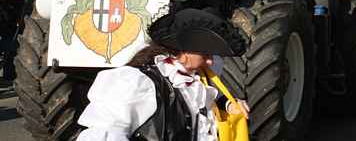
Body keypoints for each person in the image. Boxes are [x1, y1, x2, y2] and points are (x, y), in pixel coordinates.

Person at [76, 8, 249, 140]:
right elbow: (103, 132)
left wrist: (228, 105)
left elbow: (198, 105)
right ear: (183, 51)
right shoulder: (137, 83)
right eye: (205, 54)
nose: (210, 61)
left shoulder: (196, 79)